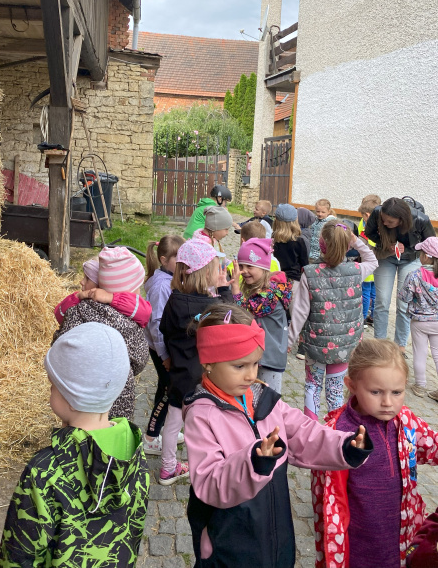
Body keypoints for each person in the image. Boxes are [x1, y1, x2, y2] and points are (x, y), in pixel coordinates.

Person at [183, 303, 371, 568]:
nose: (251, 375)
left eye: (255, 364)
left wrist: (345, 445)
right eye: (239, 366)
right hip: (229, 542)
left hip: (275, 535)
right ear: (208, 363)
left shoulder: (264, 400)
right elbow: (208, 481)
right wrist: (254, 463)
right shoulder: (202, 415)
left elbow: (303, 433)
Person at [0, 323, 149, 568]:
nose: (50, 390)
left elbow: (20, 554)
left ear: (70, 397)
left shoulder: (44, 471)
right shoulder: (135, 454)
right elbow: (133, 529)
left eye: (53, 386)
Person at [312, 339, 438, 568]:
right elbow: (326, 499)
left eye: (397, 392)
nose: (387, 402)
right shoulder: (337, 433)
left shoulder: (405, 422)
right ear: (351, 385)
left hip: (400, 539)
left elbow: (433, 446)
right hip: (358, 546)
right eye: (376, 392)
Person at [159, 239, 233, 484]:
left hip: (180, 374)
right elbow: (233, 321)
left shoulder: (174, 300)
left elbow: (164, 329)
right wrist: (225, 291)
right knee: (205, 425)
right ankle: (208, 468)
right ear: (207, 273)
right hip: (206, 378)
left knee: (172, 424)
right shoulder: (214, 305)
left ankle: (168, 468)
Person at [289, 221, 378, 420]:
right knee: (336, 390)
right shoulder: (356, 270)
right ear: (347, 246)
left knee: (312, 386)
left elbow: (300, 312)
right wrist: (356, 241)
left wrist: (289, 340)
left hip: (315, 344)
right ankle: (335, 428)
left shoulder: (309, 273)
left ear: (321, 244)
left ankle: (310, 427)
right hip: (344, 347)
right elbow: (373, 261)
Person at [53, 246, 149, 421]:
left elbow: (59, 347)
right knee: (112, 435)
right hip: (116, 398)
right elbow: (140, 359)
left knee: (77, 434)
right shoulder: (129, 322)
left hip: (76, 397)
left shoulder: (77, 311)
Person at [365, 196, 435, 353]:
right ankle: (380, 344)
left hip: (410, 259)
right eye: (383, 220)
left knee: (404, 303)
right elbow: (369, 233)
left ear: (401, 219)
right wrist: (386, 243)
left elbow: (430, 244)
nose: (385, 223)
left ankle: (400, 346)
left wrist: (408, 249)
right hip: (386, 257)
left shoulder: (420, 220)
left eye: (390, 221)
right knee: (382, 301)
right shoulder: (378, 212)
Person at [231, 238, 292, 393]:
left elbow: (244, 312)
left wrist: (235, 288)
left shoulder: (269, 295)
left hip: (270, 359)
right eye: (241, 266)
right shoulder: (264, 289)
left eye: (249, 266)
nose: (244, 271)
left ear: (263, 267)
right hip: (262, 356)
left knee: (268, 401)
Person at [143, 235, 185, 455]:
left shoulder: (170, 277)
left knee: (166, 387)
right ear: (163, 259)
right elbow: (156, 324)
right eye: (178, 258)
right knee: (168, 391)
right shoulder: (161, 286)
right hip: (162, 349)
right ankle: (151, 437)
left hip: (166, 347)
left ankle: (167, 429)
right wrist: (164, 355)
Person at [54, 257, 151, 328]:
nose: (81, 281)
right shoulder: (80, 302)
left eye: (87, 279)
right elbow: (59, 315)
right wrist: (77, 297)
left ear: (100, 285)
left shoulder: (118, 303)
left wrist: (111, 297)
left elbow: (145, 313)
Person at [399, 236, 438, 399]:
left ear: (426, 256)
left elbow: (404, 297)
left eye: (421, 253)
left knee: (420, 353)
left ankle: (420, 386)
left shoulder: (414, 275)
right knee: (437, 354)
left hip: (419, 321)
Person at [271, 204, 309, 312]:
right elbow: (305, 264)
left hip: (276, 279)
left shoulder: (273, 239)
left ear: (277, 221)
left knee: (278, 309)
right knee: (294, 311)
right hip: (294, 281)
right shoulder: (299, 241)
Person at [358, 195, 382, 327]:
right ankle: (373, 316)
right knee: (374, 291)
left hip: (368, 262)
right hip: (377, 263)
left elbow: (362, 242)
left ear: (367, 215)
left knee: (365, 292)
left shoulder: (368, 227)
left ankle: (363, 318)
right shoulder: (381, 225)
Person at [309, 198, 337, 262]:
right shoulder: (314, 220)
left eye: (323, 212)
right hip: (311, 253)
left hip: (321, 256)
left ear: (328, 212)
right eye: (318, 211)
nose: (320, 214)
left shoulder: (330, 223)